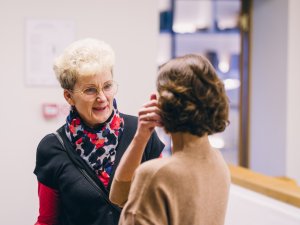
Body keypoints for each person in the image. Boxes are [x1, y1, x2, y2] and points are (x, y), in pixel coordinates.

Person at [33, 38, 164, 225]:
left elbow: (161, 205)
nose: (102, 98)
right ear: (69, 96)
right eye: (90, 90)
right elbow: (47, 221)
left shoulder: (141, 132)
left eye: (107, 86)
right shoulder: (53, 148)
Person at [110, 54, 231, 225]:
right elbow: (119, 195)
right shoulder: (218, 163)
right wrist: (141, 136)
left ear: (166, 103)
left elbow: (118, 198)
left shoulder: (156, 175)